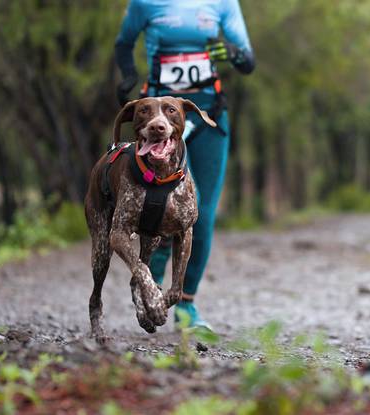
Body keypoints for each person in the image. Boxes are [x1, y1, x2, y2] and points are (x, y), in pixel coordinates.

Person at [114, 0, 255, 330]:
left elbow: (248, 62)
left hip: (208, 115)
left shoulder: (223, 3)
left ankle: (185, 305)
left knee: (200, 213)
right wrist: (128, 76)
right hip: (158, 120)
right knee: (155, 207)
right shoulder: (144, 3)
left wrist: (232, 52)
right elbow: (124, 43)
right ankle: (150, 287)